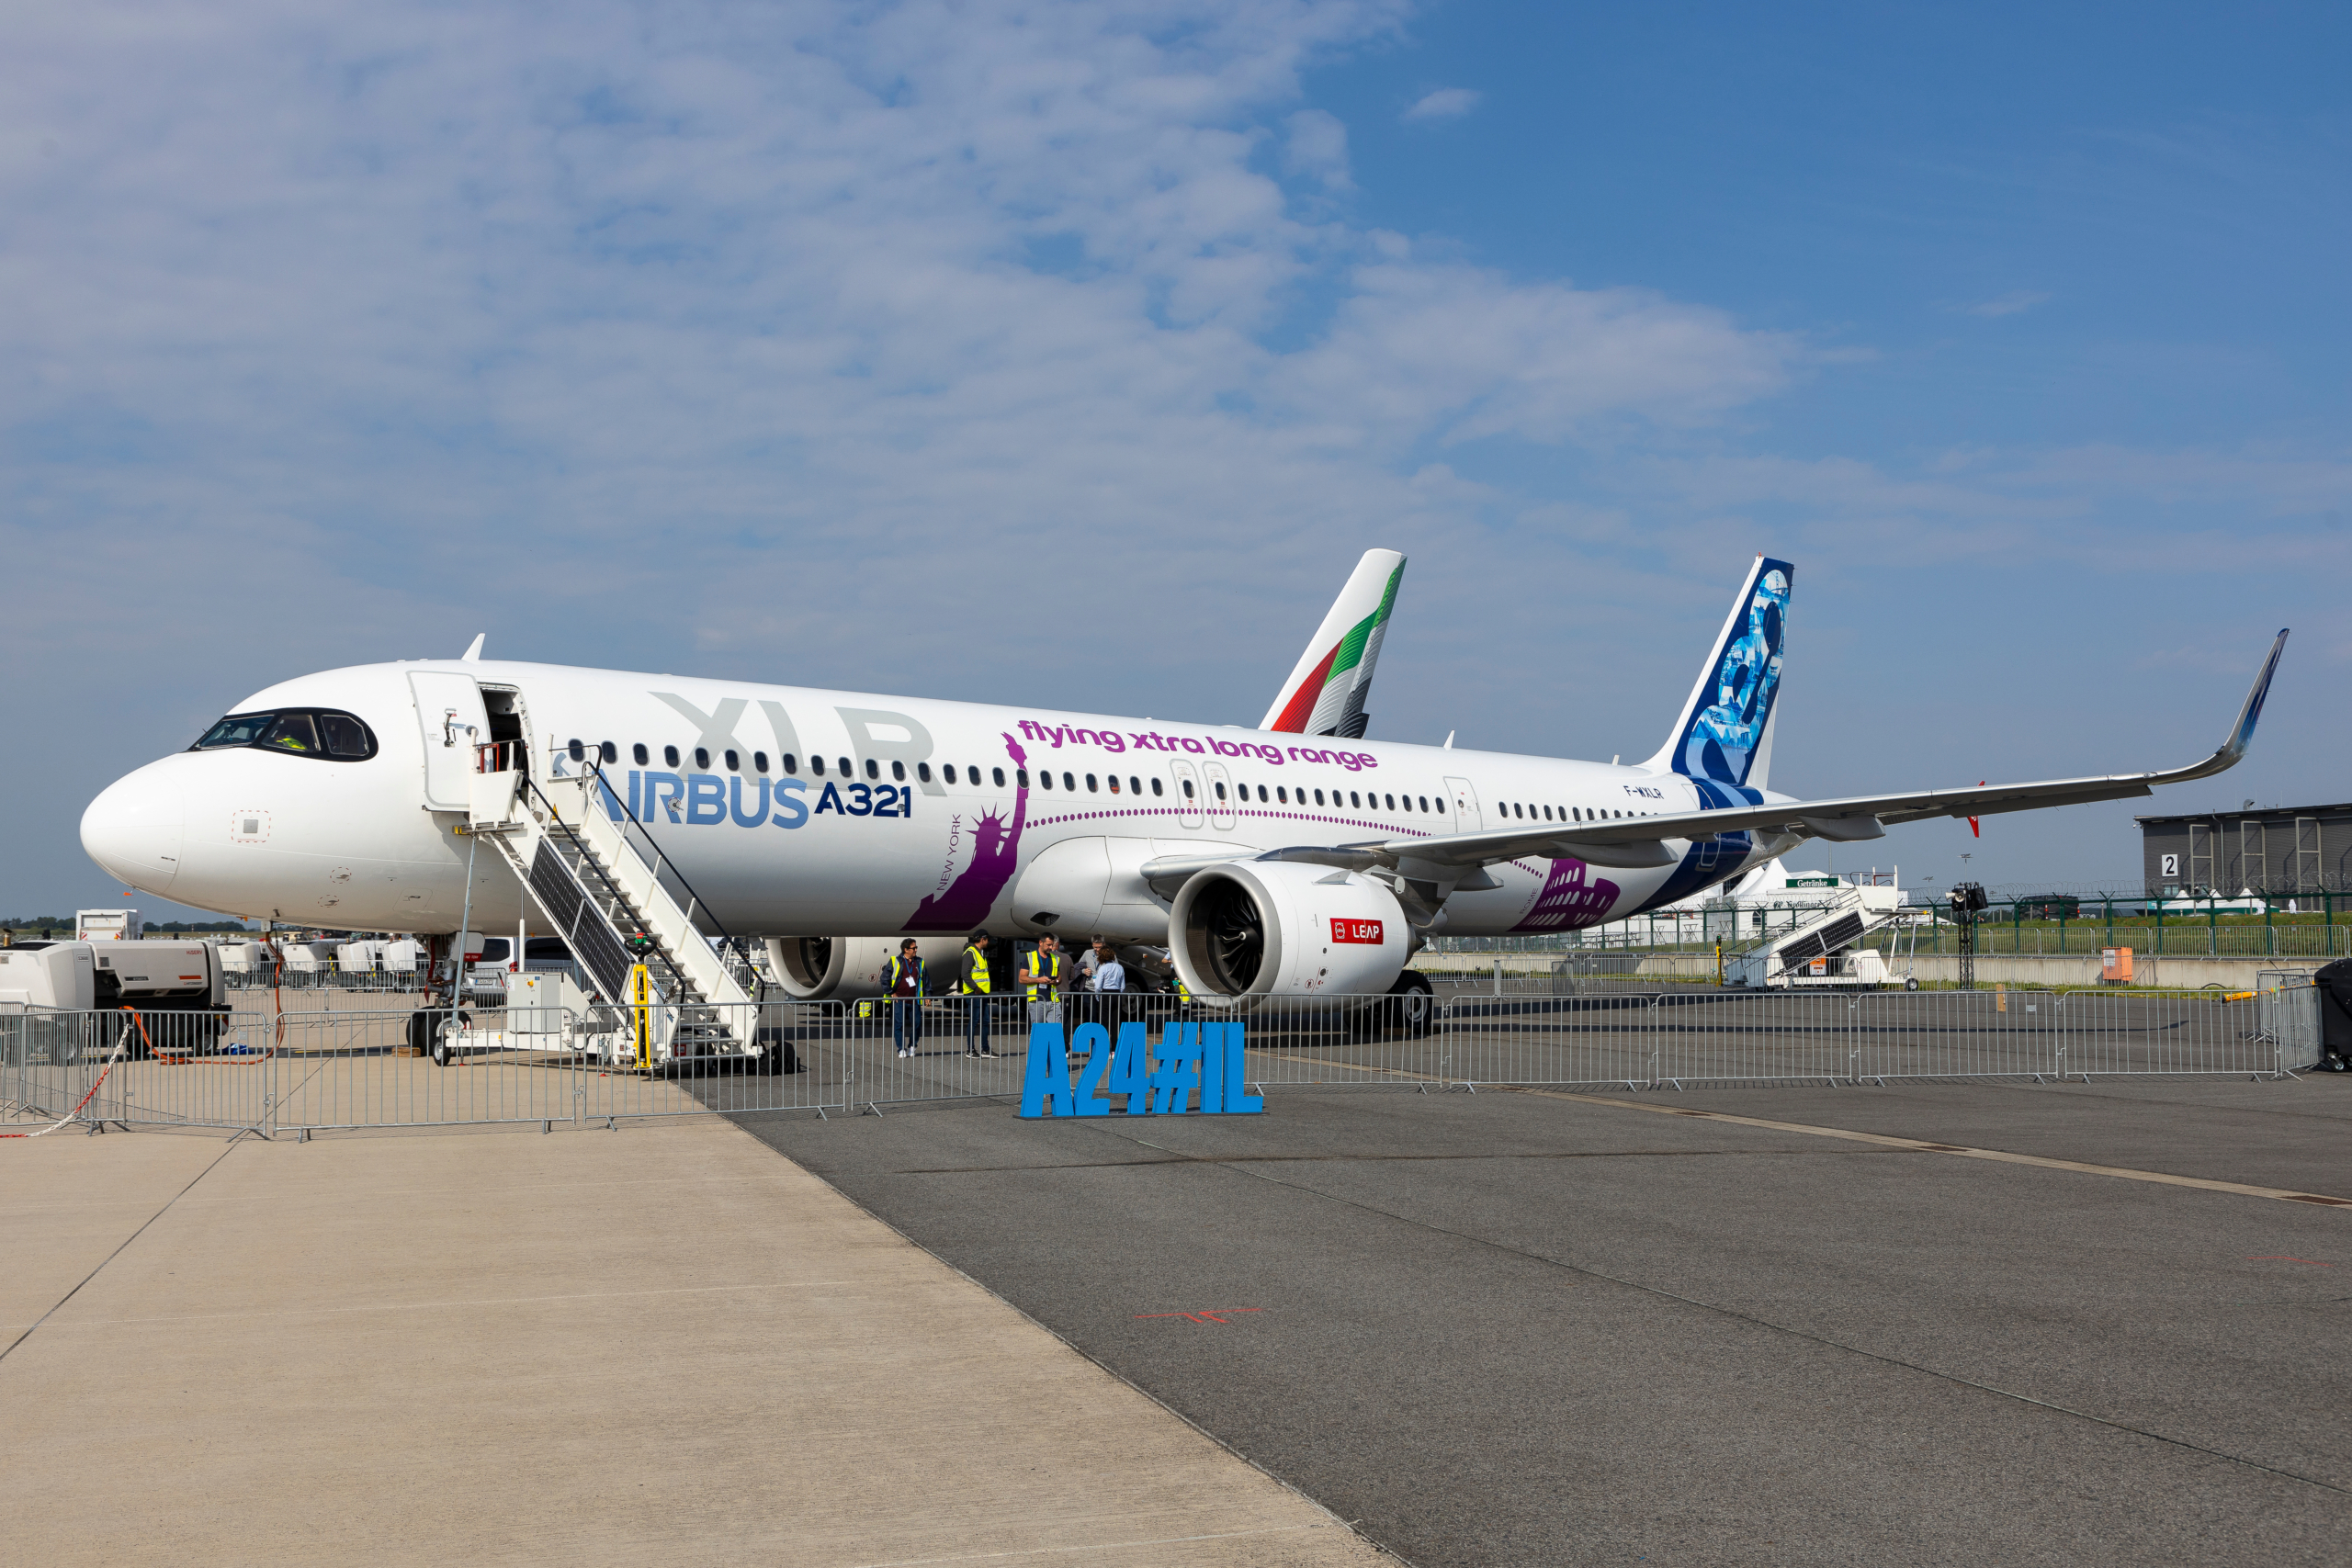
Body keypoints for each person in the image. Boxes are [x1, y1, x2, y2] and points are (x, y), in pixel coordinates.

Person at [1020, 933, 1067, 1051]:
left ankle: (1054, 1061)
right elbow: (1021, 978)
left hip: (1053, 1000)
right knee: (1037, 1031)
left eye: (1052, 945)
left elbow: (1060, 978)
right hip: (1036, 1000)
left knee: (1056, 1030)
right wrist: (1038, 980)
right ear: (1040, 943)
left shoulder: (1055, 958)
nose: (1051, 948)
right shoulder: (1030, 957)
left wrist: (1055, 981)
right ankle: (1037, 1060)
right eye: (1048, 945)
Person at [883, 938, 924, 1057]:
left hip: (914, 1000)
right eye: (914, 948)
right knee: (899, 1024)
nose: (916, 950)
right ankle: (901, 1048)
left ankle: (912, 1046)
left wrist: (928, 995)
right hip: (899, 1000)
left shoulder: (920, 962)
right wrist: (891, 992)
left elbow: (926, 980)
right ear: (906, 950)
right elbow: (884, 978)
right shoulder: (895, 960)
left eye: (916, 948)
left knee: (916, 1024)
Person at [960, 931, 996, 1059]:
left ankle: (985, 1049)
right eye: (987, 939)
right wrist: (976, 988)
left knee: (985, 1020)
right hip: (974, 993)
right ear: (982, 939)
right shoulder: (970, 953)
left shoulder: (980, 953)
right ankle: (970, 1050)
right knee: (974, 1021)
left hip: (982, 993)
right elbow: (965, 974)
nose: (988, 942)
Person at [1091, 939, 1126, 1031]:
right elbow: (1123, 986)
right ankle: (1115, 1044)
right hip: (1117, 993)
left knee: (1104, 1021)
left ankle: (1104, 1043)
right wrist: (1119, 992)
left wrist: (1098, 996)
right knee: (1116, 1022)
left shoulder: (1103, 968)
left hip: (1106, 994)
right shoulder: (1120, 967)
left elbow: (1098, 986)